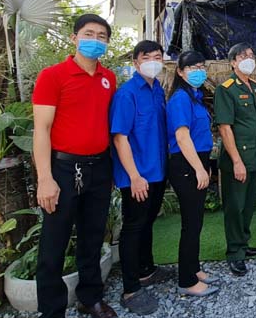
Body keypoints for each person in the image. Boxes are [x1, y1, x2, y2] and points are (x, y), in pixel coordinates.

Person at [32, 14, 117, 318]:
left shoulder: (109, 78)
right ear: (74, 38)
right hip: (63, 169)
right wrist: (45, 178)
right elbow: (41, 130)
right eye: (89, 34)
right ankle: (52, 310)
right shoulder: (53, 76)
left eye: (102, 36)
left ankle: (90, 298)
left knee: (92, 236)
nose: (95, 40)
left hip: (99, 166)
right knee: (54, 242)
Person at [109, 40, 170, 315]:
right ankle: (131, 289)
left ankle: (147, 270)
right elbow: (120, 138)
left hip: (157, 171)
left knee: (147, 223)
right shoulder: (127, 94)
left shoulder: (157, 89)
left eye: (158, 57)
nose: (153, 62)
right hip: (137, 175)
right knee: (133, 227)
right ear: (135, 62)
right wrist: (134, 176)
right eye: (147, 57)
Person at [167, 50, 220, 296]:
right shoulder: (180, 98)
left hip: (198, 161)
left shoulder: (194, 96)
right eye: (192, 67)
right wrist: (199, 168)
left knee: (196, 221)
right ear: (180, 71)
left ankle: (194, 268)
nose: (199, 71)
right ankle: (186, 280)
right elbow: (182, 136)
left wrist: (203, 165)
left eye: (201, 66)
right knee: (190, 223)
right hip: (187, 164)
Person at [213, 42, 256, 276]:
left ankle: (243, 243)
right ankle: (235, 252)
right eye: (243, 56)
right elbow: (225, 128)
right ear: (233, 62)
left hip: (255, 157)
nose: (248, 59)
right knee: (235, 207)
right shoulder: (226, 89)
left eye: (251, 55)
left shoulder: (254, 87)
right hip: (238, 159)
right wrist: (236, 161)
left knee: (248, 204)